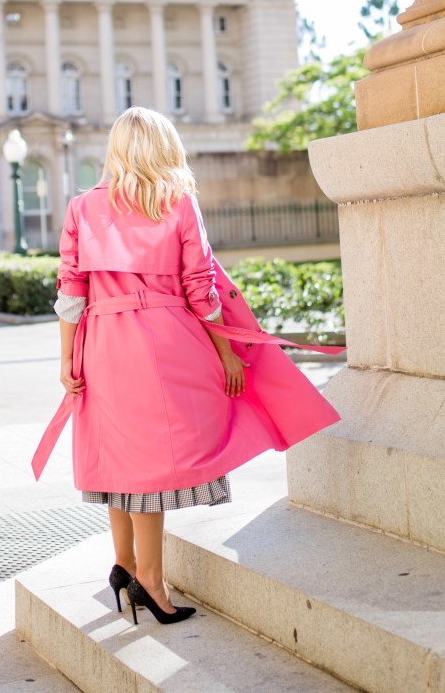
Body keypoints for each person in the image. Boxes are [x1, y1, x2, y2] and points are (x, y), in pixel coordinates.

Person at [32, 107, 340, 626]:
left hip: (101, 343)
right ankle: (152, 583)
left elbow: (71, 289)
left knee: (120, 458)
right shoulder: (176, 202)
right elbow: (202, 289)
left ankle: (124, 564)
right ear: (165, 147)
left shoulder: (82, 207)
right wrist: (226, 352)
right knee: (153, 462)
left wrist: (66, 357)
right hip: (164, 342)